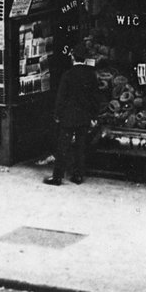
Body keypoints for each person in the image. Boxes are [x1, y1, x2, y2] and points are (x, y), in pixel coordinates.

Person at [44, 43, 100, 186]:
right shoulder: (91, 75)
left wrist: (57, 114)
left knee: (63, 146)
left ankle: (57, 177)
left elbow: (61, 97)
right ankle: (78, 176)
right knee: (80, 147)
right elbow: (95, 98)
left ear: (73, 58)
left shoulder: (68, 75)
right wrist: (94, 116)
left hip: (68, 117)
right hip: (84, 116)